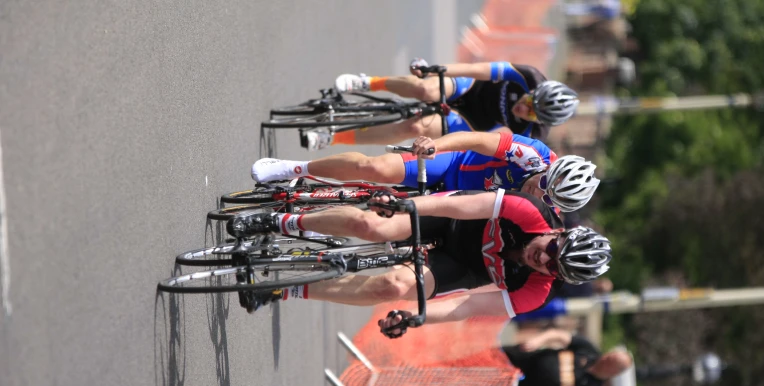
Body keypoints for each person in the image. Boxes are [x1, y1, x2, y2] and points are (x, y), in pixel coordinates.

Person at [226, 181, 612, 337]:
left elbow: (467, 304)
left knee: (394, 286)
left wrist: (415, 320)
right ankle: (285, 220)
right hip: (451, 221)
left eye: (552, 266)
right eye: (553, 250)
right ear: (558, 233)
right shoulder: (529, 211)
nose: (543, 258)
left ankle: (286, 289)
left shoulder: (537, 291)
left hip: (461, 267)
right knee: (375, 227)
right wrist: (404, 204)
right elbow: (465, 206)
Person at [252, 132, 600, 213]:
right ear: (548, 169)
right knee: (375, 168)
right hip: (454, 164)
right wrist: (436, 145)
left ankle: (320, 214)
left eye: (548, 199)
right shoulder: (534, 156)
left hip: (460, 204)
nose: (538, 195)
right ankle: (292, 167)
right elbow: (477, 139)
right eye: (543, 185)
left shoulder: (544, 212)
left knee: (384, 219)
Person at [302, 59, 579, 151]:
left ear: (540, 122)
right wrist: (437, 68)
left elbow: (485, 143)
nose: (524, 109)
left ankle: (332, 138)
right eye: (529, 102)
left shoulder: (534, 136)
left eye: (531, 114)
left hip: (473, 121)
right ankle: (369, 83)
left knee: (416, 126)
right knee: (425, 87)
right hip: (471, 87)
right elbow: (477, 68)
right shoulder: (528, 76)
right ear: (534, 91)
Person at [502, 328, 632, 386]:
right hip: (525, 357)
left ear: (614, 372)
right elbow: (557, 335)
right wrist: (538, 341)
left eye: (610, 361)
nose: (605, 359)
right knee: (489, 357)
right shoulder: (588, 349)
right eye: (609, 355)